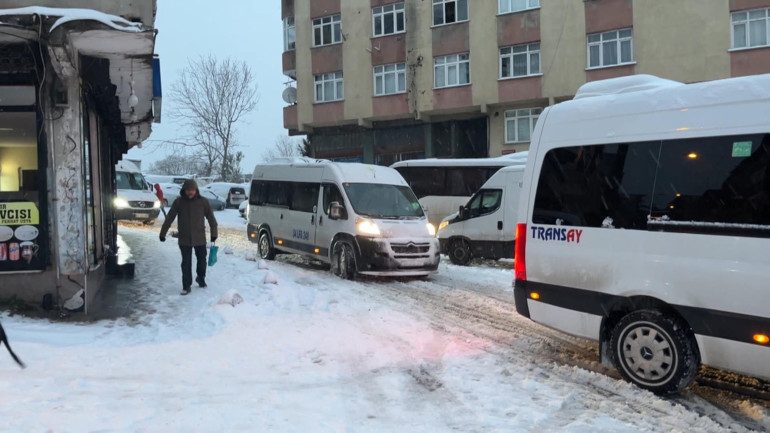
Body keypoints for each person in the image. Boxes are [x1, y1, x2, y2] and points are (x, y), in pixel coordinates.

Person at [159, 179, 218, 295]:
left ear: (196, 190)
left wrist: (214, 234)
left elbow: (211, 219)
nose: (190, 192)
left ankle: (201, 278)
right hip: (184, 238)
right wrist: (162, 233)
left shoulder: (203, 202)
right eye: (188, 190)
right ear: (184, 191)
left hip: (200, 238)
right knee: (186, 263)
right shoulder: (179, 202)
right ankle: (186, 285)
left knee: (202, 261)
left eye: (192, 190)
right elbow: (169, 218)